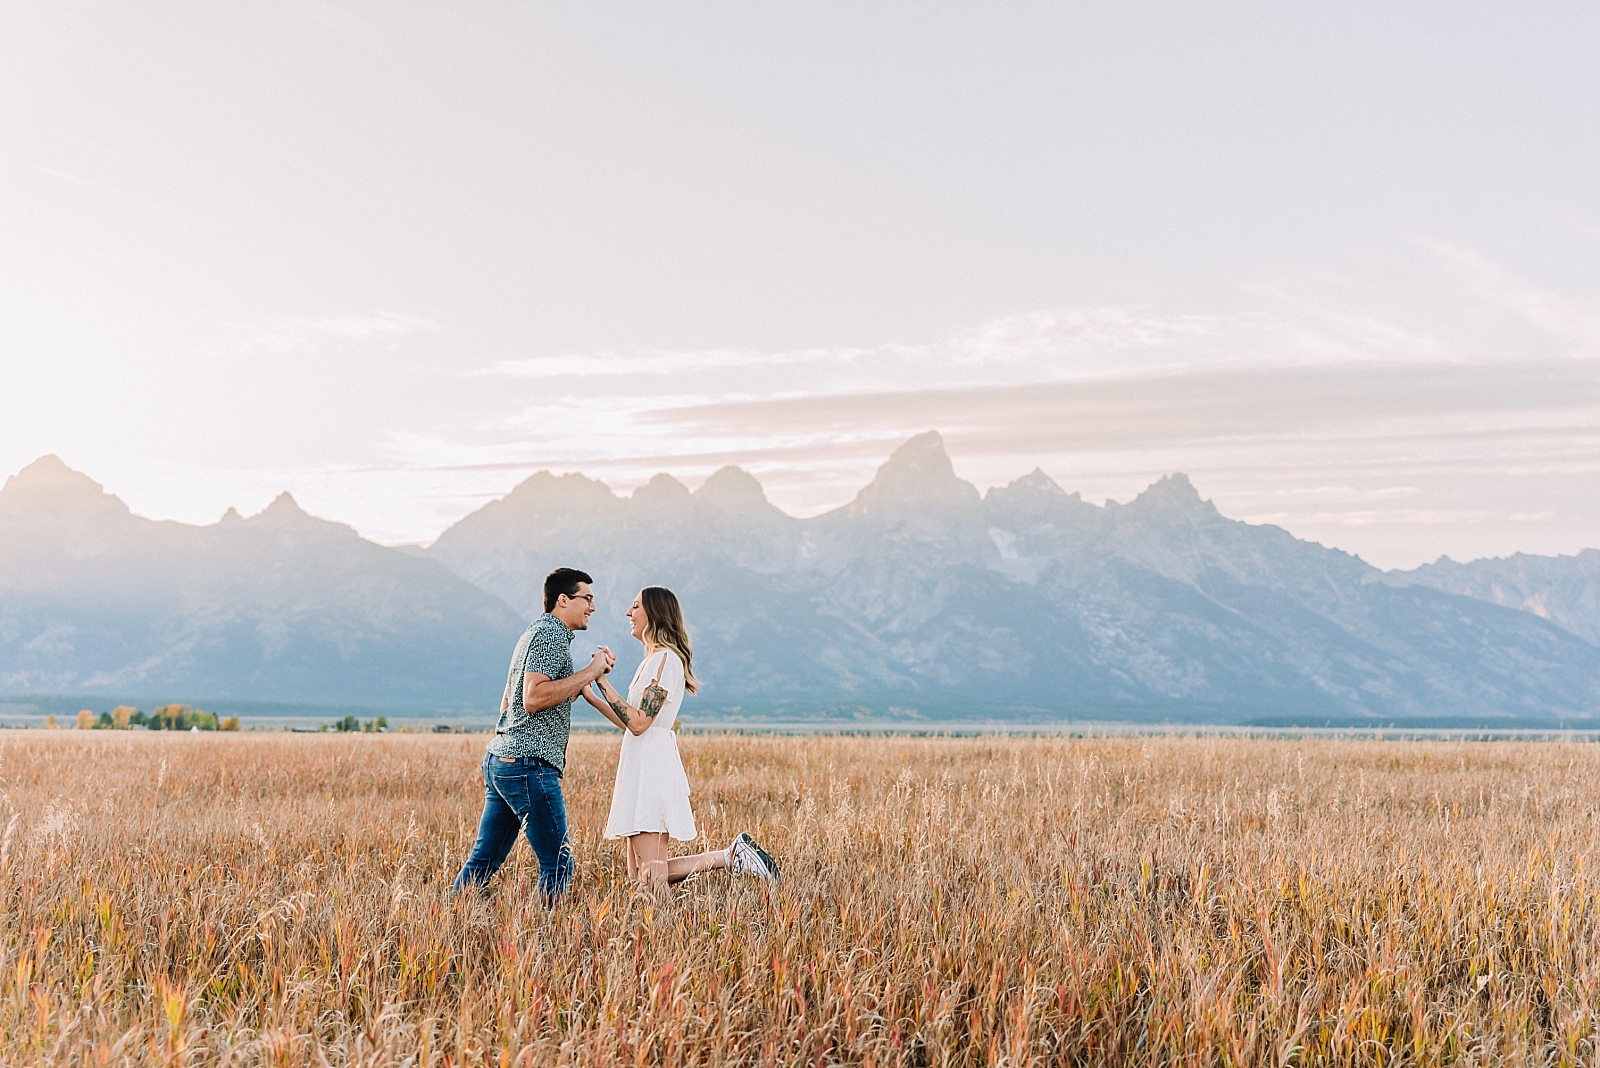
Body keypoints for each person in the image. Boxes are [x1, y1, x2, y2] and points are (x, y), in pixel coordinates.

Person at [581, 585, 779, 892]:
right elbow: (630, 724)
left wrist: (603, 681)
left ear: (655, 614)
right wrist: (593, 696)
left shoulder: (665, 661)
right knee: (641, 878)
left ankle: (727, 860)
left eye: (635, 607)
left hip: (652, 769)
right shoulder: (650, 662)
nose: (628, 613)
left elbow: (639, 723)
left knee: (650, 878)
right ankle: (731, 855)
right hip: (639, 763)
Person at [452, 567, 615, 905]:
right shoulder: (550, 637)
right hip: (528, 766)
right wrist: (590, 671)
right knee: (558, 863)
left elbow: (515, 700)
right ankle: (545, 941)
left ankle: (450, 922)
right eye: (587, 598)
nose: (593, 607)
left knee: (484, 861)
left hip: (504, 762)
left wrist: (592, 677)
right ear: (563, 600)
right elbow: (533, 698)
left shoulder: (533, 634)